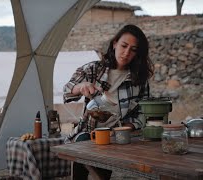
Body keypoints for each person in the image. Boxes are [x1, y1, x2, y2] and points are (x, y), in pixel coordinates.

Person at [63, 24, 154, 179]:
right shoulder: (93, 69)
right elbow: (67, 91)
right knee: (81, 161)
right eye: (124, 46)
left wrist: (126, 128)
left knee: (103, 172)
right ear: (114, 44)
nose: (126, 53)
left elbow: (143, 114)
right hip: (88, 133)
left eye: (133, 50)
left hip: (117, 138)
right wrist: (81, 87)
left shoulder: (138, 79)